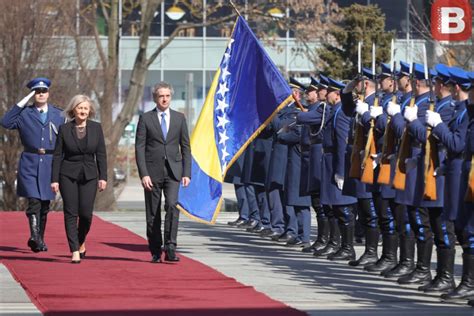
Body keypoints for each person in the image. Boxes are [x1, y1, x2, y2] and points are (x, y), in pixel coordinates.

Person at [1, 77, 64, 253]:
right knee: (34, 201)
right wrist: (23, 102)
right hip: (30, 161)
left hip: (50, 163)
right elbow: (5, 122)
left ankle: (40, 240)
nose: (41, 94)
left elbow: (65, 137)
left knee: (45, 205)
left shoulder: (58, 114)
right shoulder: (23, 114)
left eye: (44, 91)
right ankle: (34, 237)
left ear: (48, 93)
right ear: (32, 94)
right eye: (37, 92)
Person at [135, 81, 191, 264]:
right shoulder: (146, 119)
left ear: (171, 97)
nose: (164, 99)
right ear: (155, 98)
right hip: (152, 172)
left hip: (174, 171)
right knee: (153, 213)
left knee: (173, 206)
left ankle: (171, 246)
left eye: (167, 95)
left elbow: (185, 147)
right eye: (161, 96)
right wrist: (143, 174)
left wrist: (187, 173)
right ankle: (155, 250)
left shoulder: (179, 118)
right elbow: (139, 148)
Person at [51, 95, 107, 264]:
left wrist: (103, 177)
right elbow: (57, 155)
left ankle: (81, 240)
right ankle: (74, 249)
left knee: (86, 214)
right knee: (70, 212)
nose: (82, 111)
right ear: (73, 110)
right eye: (79, 108)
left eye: (85, 108)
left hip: (89, 175)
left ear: (89, 111)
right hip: (67, 174)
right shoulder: (64, 129)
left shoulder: (96, 128)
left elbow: (101, 155)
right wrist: (55, 179)